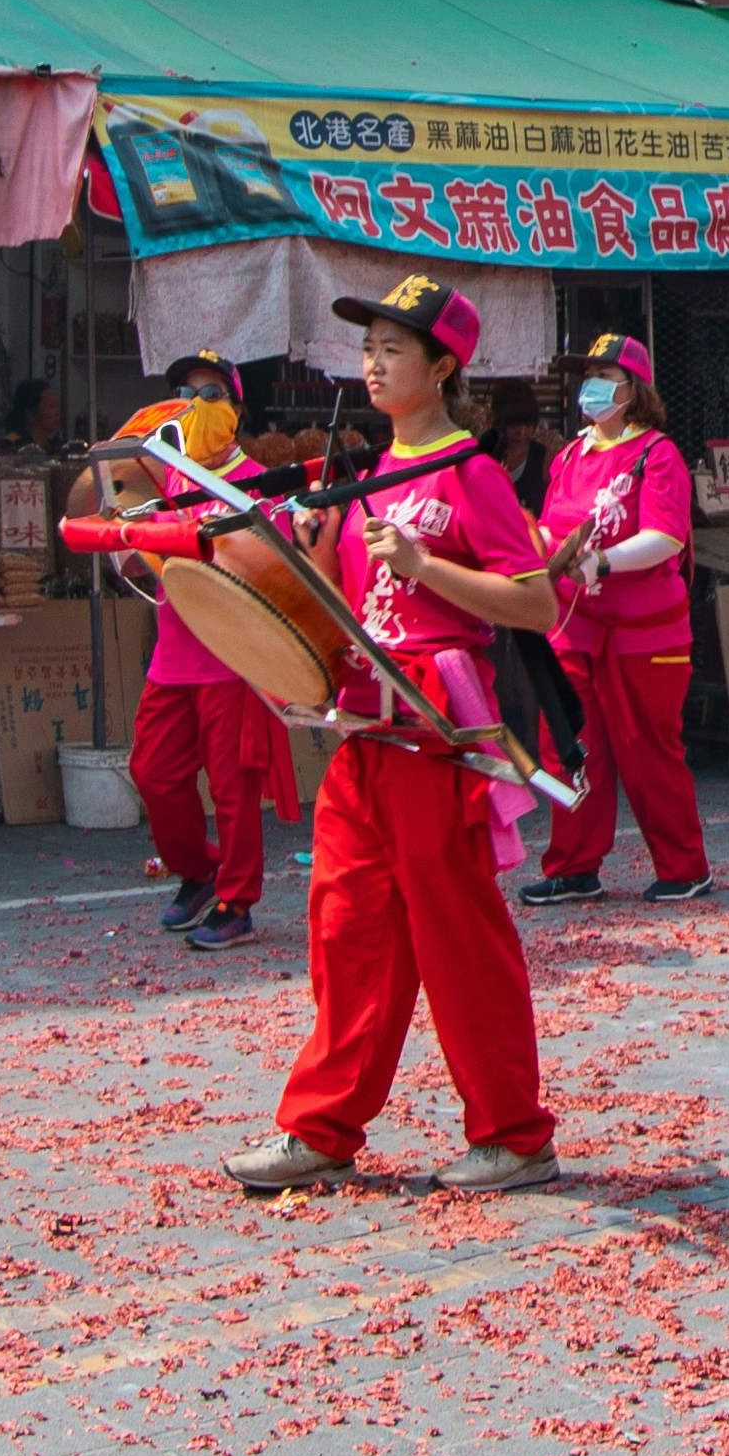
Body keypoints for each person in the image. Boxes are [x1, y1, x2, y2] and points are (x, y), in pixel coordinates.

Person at [221, 281, 569, 1190]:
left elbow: (536, 601)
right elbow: (347, 607)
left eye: (393, 350)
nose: (373, 364)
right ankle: (322, 1126)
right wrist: (305, 546)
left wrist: (424, 566)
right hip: (364, 720)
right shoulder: (364, 474)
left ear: (443, 368)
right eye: (368, 347)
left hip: (435, 724)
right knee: (346, 926)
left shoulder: (471, 473)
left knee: (457, 930)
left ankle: (515, 1133)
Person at [92, 355, 298, 948]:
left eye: (210, 393)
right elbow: (126, 549)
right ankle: (199, 870)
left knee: (233, 789)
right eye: (184, 392)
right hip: (174, 656)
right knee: (152, 773)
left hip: (231, 658)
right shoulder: (163, 479)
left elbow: (273, 573)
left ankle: (237, 900)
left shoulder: (256, 480)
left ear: (236, 409)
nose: (195, 402)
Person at [519, 333, 707, 909]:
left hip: (643, 630)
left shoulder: (657, 453)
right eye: (588, 374)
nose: (591, 386)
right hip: (575, 624)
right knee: (570, 747)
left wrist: (603, 561)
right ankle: (573, 865)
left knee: (647, 747)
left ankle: (683, 864)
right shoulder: (570, 456)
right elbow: (553, 530)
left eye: (606, 375)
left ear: (634, 389)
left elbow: (666, 536)